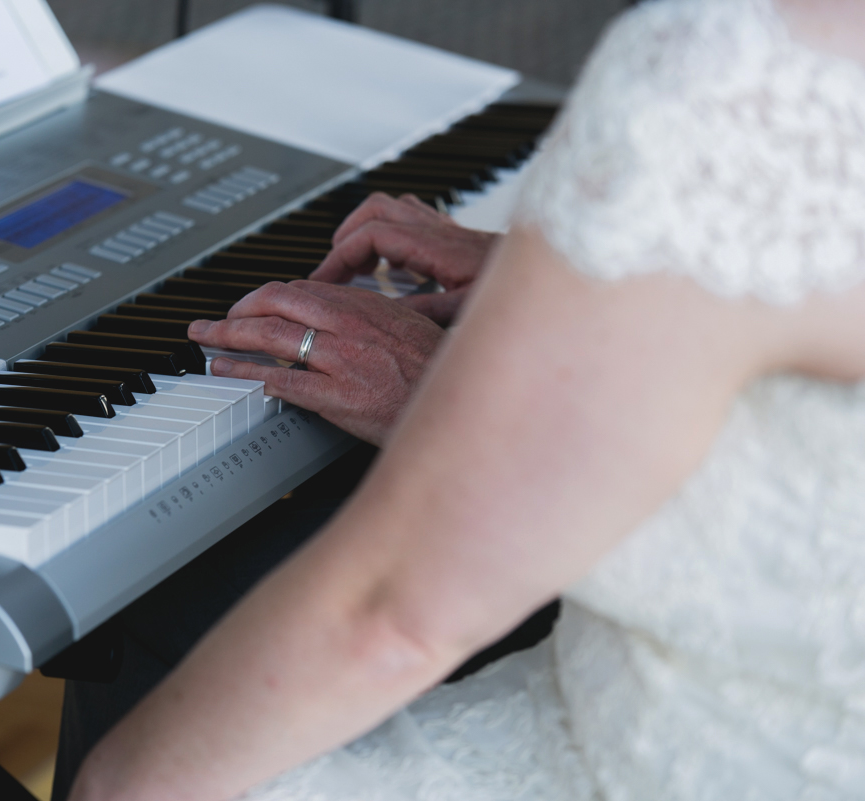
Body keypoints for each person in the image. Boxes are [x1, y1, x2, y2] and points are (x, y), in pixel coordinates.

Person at [66, 0, 865, 798]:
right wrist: (588, 285)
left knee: (190, 590)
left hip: (659, 753)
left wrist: (463, 399)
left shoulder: (733, 71)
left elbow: (392, 618)